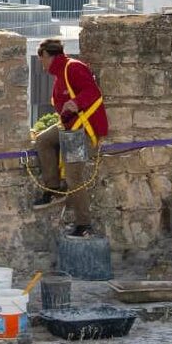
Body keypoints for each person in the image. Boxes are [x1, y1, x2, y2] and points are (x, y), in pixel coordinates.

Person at [32, 38, 109, 236]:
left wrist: (76, 102)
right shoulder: (60, 75)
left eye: (42, 59)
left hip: (83, 130)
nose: (42, 64)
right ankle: (53, 188)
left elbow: (93, 92)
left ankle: (84, 224)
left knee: (74, 177)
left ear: (49, 56)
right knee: (43, 140)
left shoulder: (73, 68)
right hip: (70, 126)